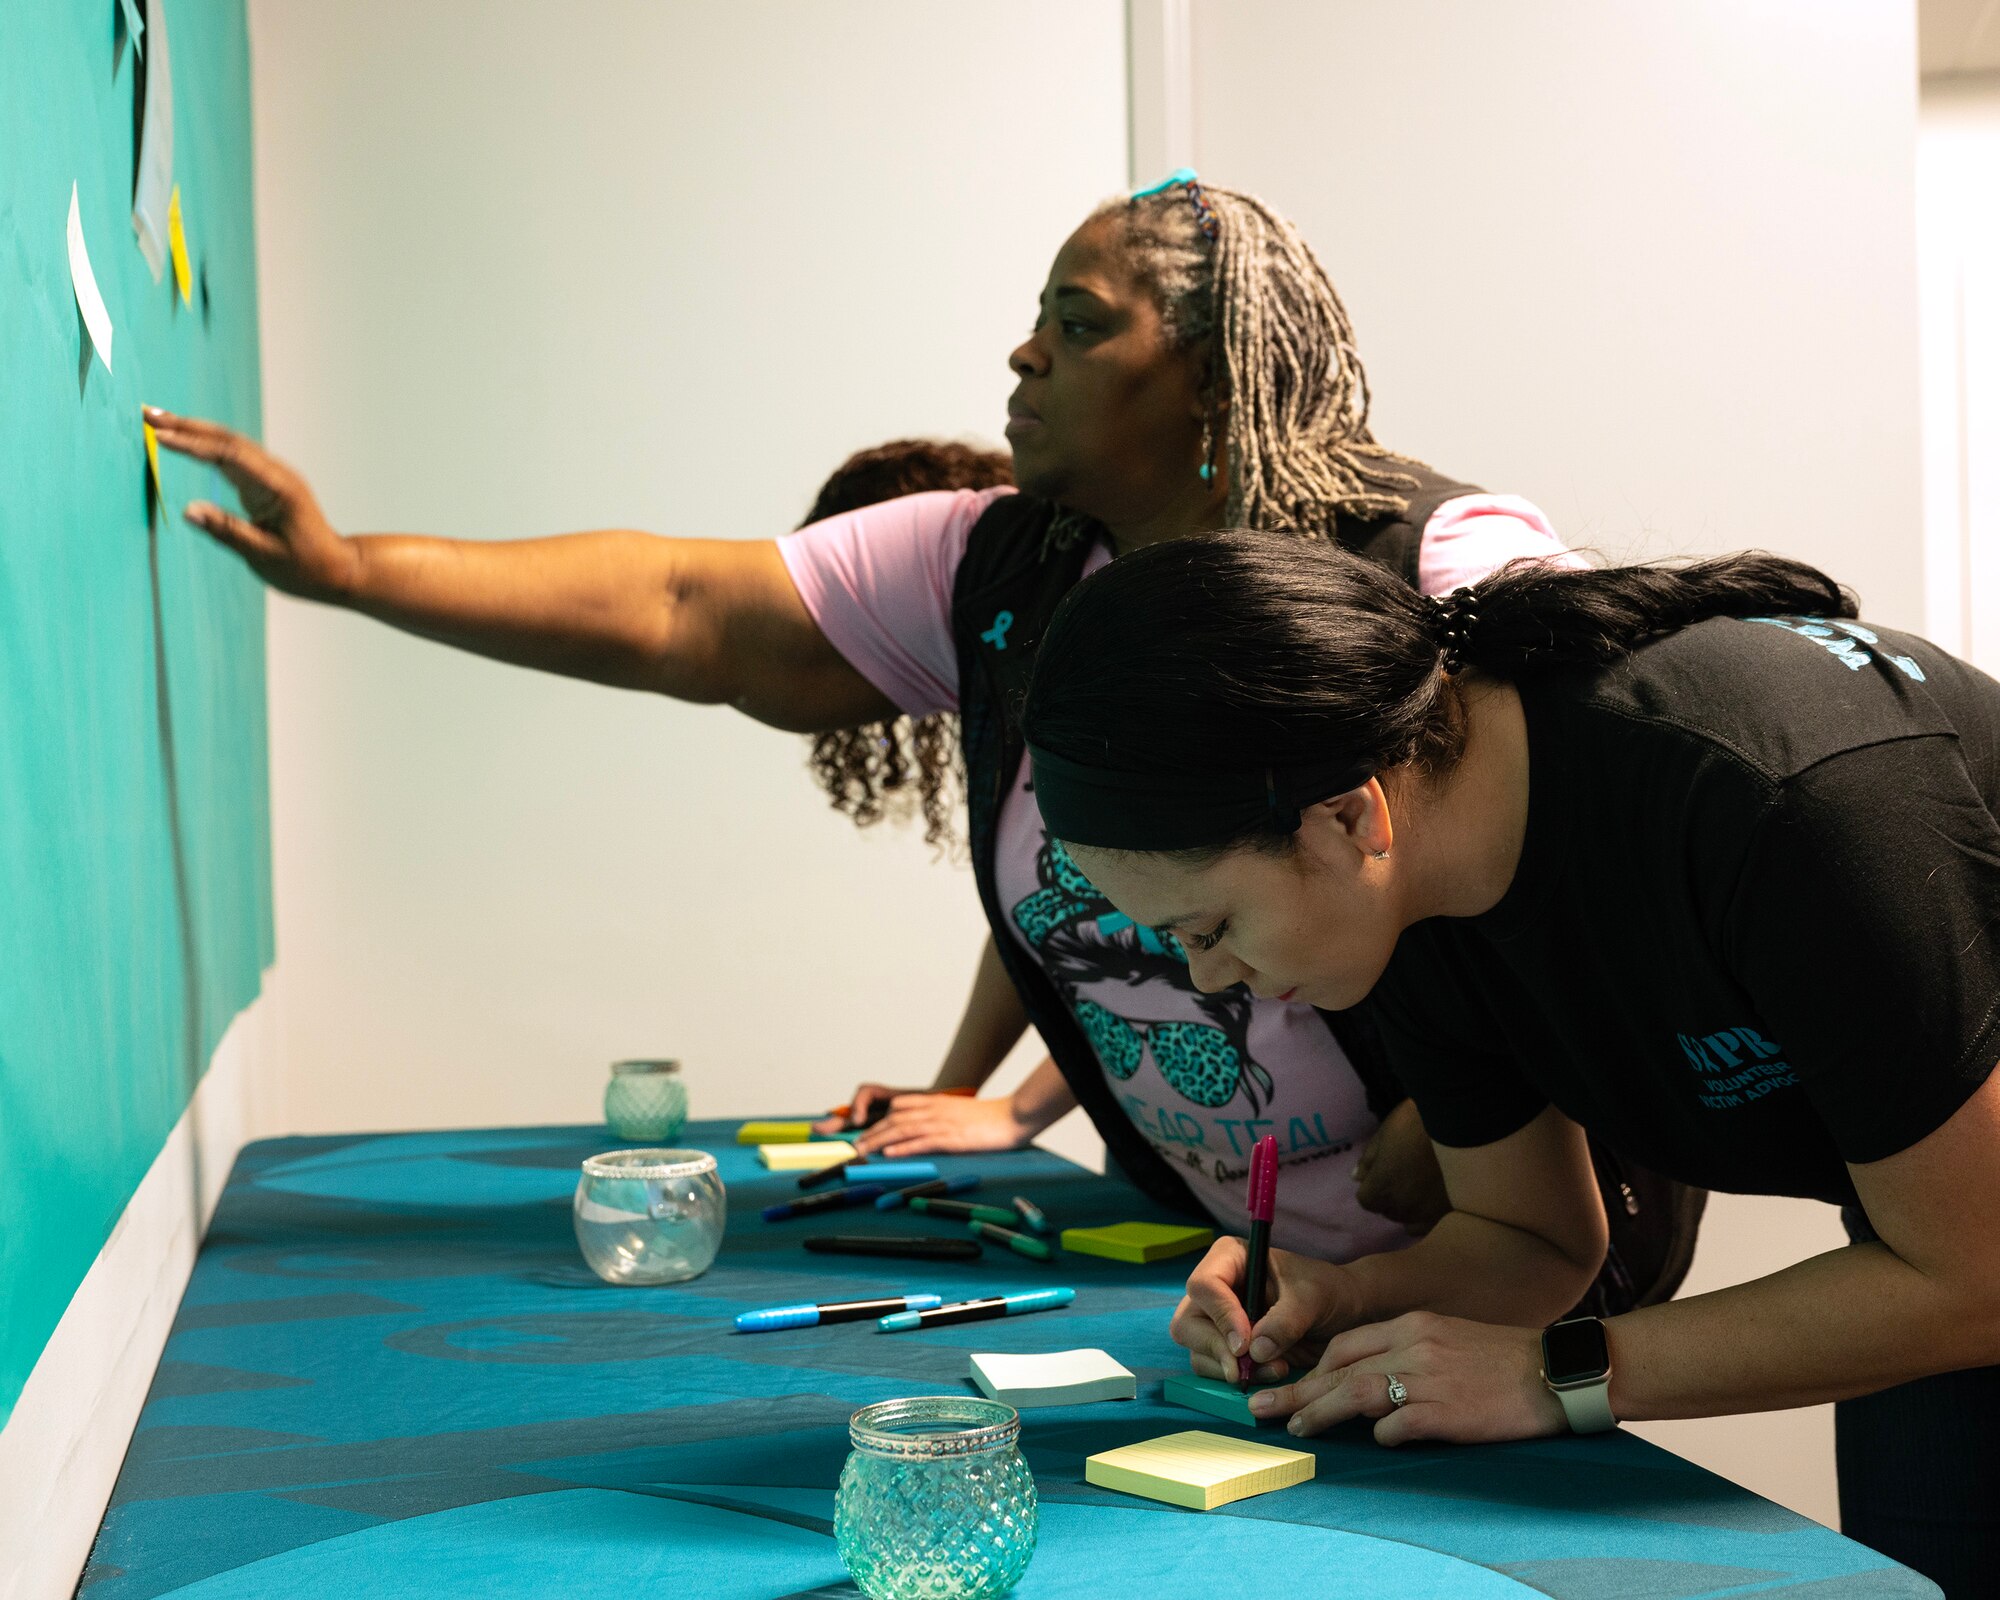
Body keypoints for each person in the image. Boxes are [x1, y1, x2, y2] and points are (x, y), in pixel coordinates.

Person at [146, 169, 1693, 1296]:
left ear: (1211, 376)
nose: (1022, 359)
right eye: (1032, 322)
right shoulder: (1001, 564)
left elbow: (1626, 844)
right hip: (1229, 1271)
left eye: (1076, 326)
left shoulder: (1436, 560)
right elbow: (687, 605)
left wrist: (1487, 1103)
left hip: (1509, 1270)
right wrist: (349, 571)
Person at [1016, 530, 2000, 1594]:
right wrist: (1339, 1299)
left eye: (1210, 927)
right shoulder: (1406, 885)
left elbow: (1972, 1278)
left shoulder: (1773, 804)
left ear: (1346, 818)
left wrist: (1562, 1373)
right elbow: (1531, 1240)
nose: (1211, 979)